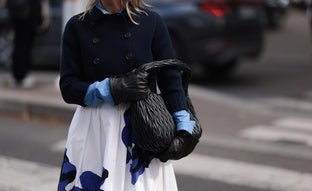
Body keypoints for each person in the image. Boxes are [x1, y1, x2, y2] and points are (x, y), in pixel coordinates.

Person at [57, 0, 197, 190]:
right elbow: (68, 86)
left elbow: (170, 78)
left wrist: (185, 128)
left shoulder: (151, 21)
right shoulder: (77, 25)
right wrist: (110, 89)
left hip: (144, 127)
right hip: (97, 130)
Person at [7, 0, 43, 87]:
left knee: (20, 46)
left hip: (19, 15)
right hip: (26, 16)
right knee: (23, 47)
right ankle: (20, 76)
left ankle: (19, 75)